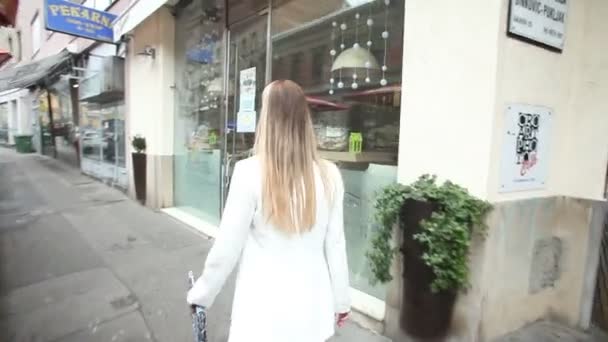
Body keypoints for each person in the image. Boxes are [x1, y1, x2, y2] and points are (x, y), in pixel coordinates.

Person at [187, 80, 350, 342]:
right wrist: (342, 300)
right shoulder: (330, 175)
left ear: (267, 118)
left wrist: (202, 295)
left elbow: (227, 249)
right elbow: (336, 244)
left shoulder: (249, 172)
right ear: (304, 119)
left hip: (262, 315)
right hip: (311, 313)